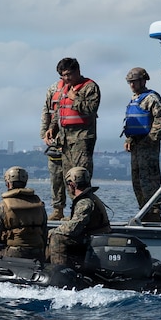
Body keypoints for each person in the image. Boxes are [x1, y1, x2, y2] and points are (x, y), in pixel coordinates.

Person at [43, 57, 99, 208]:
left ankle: (86, 211)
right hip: (65, 140)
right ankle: (72, 211)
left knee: (80, 177)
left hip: (82, 139)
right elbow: (59, 112)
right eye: (63, 75)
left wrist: (75, 99)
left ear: (78, 71)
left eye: (69, 74)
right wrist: (52, 129)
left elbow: (91, 109)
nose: (67, 78)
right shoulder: (65, 89)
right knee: (69, 178)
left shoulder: (90, 87)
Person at [121, 66, 161, 224]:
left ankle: (154, 213)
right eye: (130, 82)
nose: (132, 85)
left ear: (143, 80)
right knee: (137, 180)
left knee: (149, 179)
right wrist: (129, 140)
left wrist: (151, 139)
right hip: (136, 145)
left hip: (148, 145)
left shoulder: (151, 98)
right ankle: (144, 210)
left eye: (134, 82)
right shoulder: (134, 99)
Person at [47, 166, 111, 267]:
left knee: (57, 237)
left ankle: (58, 270)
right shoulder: (91, 198)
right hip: (97, 235)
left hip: (93, 238)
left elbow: (74, 228)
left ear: (72, 184)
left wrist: (53, 231)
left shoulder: (84, 202)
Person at [0, 166, 48, 260]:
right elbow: (44, 232)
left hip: (15, 253)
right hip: (37, 252)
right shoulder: (39, 204)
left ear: (8, 184)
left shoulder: (3, 206)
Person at [40, 82, 66, 221]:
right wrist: (44, 133)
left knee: (75, 177)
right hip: (54, 140)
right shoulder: (53, 89)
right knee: (56, 177)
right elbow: (47, 111)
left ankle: (77, 210)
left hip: (73, 139)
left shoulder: (80, 88)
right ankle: (58, 210)